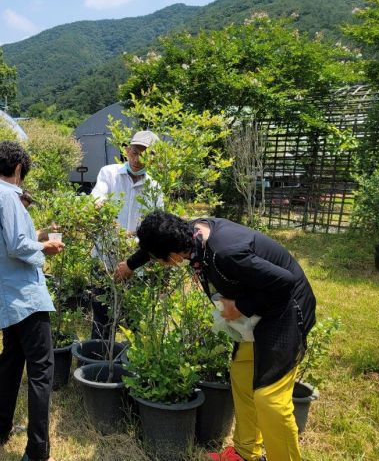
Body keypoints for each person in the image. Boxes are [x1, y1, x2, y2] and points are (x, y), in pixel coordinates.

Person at [117, 211, 316, 461]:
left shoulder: (226, 253)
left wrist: (239, 306)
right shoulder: (188, 234)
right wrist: (130, 265)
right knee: (242, 376)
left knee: (270, 399)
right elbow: (155, 244)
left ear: (174, 256)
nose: (158, 263)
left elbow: (286, 282)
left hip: (287, 307)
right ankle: (246, 453)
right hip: (261, 309)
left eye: (160, 260)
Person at [0, 141, 64, 461]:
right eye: (22, 176)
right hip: (26, 295)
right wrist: (46, 248)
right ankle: (37, 450)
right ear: (16, 170)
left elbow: (6, 238)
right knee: (41, 370)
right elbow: (17, 245)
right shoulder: (8, 196)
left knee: (11, 360)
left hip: (4, 294)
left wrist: (35, 234)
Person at [89, 129, 164, 341]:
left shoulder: (154, 188)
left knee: (133, 319)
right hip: (104, 259)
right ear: (126, 150)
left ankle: (132, 364)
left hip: (135, 264)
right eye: (134, 152)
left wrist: (132, 259)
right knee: (101, 316)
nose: (137, 159)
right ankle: (98, 359)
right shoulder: (109, 173)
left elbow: (156, 229)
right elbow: (97, 197)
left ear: (155, 158)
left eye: (145, 154)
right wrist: (99, 206)